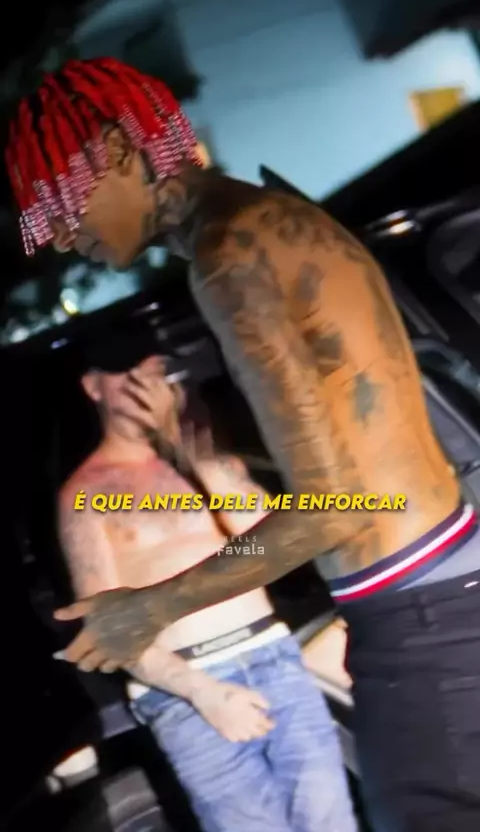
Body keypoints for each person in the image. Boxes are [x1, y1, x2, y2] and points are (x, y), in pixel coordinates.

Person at [6, 57, 480, 831]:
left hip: (419, 613)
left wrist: (151, 606)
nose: (59, 236)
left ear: (119, 154)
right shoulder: (276, 213)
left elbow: (330, 509)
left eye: (59, 201)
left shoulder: (229, 256)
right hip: (445, 580)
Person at [57, 335, 357, 832]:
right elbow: (109, 628)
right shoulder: (86, 493)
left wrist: (184, 444)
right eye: (128, 376)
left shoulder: (210, 463)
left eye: (154, 373)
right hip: (186, 693)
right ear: (94, 387)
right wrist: (203, 693)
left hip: (274, 661)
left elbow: (270, 539)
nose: (144, 387)